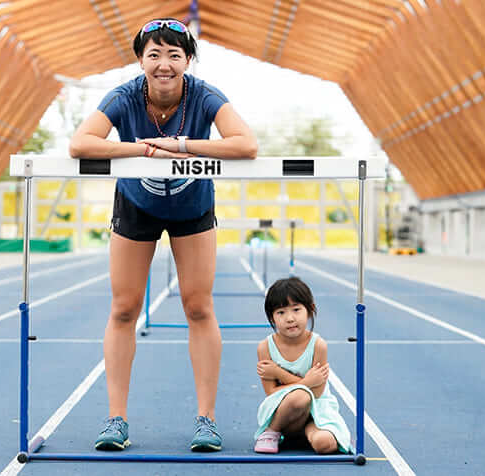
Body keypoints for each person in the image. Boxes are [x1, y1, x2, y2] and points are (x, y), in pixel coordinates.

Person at [69, 18, 258, 452]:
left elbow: (245, 144)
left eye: (174, 55)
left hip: (193, 206)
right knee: (123, 308)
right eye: (154, 55)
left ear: (187, 61)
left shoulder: (205, 95)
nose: (164, 64)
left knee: (198, 306)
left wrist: (182, 145)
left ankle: (206, 420)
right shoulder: (124, 97)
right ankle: (116, 419)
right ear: (141, 61)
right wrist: (141, 149)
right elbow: (81, 144)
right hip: (137, 204)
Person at [254, 277, 352, 454]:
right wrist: (308, 381)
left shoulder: (318, 345)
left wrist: (278, 372)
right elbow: (271, 392)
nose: (290, 318)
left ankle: (305, 435)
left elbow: (317, 392)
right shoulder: (265, 347)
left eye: (296, 310)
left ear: (310, 309)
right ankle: (271, 432)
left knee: (325, 445)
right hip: (284, 412)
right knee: (299, 397)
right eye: (281, 312)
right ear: (272, 317)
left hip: (316, 410)